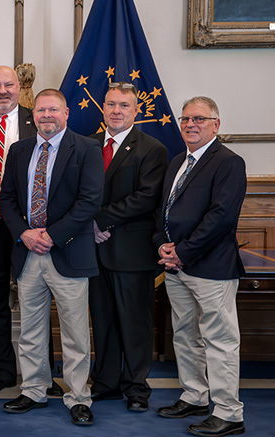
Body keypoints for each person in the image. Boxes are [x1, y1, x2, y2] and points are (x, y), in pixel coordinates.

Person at [0, 89, 103, 426]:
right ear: (33, 115)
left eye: (53, 110)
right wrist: (25, 233)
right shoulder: (19, 150)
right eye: (41, 110)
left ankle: (77, 397)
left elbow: (89, 202)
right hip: (28, 252)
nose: (46, 115)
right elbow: (7, 199)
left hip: (67, 251)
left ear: (66, 113)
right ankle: (34, 389)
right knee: (30, 329)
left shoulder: (87, 148)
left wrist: (52, 235)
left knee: (75, 332)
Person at [154, 96, 246, 437]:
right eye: (186, 119)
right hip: (178, 267)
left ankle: (228, 413)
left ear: (216, 125)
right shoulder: (179, 160)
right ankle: (194, 395)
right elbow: (165, 210)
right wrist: (162, 245)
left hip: (211, 267)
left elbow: (221, 218)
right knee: (186, 335)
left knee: (219, 340)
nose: (191, 124)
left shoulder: (229, 162)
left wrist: (184, 251)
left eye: (199, 119)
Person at [88, 82, 168, 412]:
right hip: (92, 251)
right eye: (110, 104)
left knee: (134, 324)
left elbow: (145, 197)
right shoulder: (88, 145)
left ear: (136, 111)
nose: (116, 111)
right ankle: (105, 383)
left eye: (123, 106)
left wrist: (101, 220)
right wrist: (88, 224)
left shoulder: (152, 149)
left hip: (131, 252)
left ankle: (136, 389)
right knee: (102, 321)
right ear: (102, 108)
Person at [0, 65, 38, 394]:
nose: (2, 91)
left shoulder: (37, 119)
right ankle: (1, 369)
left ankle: (42, 375)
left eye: (8, 85)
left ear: (19, 88)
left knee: (37, 301)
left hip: (30, 226)